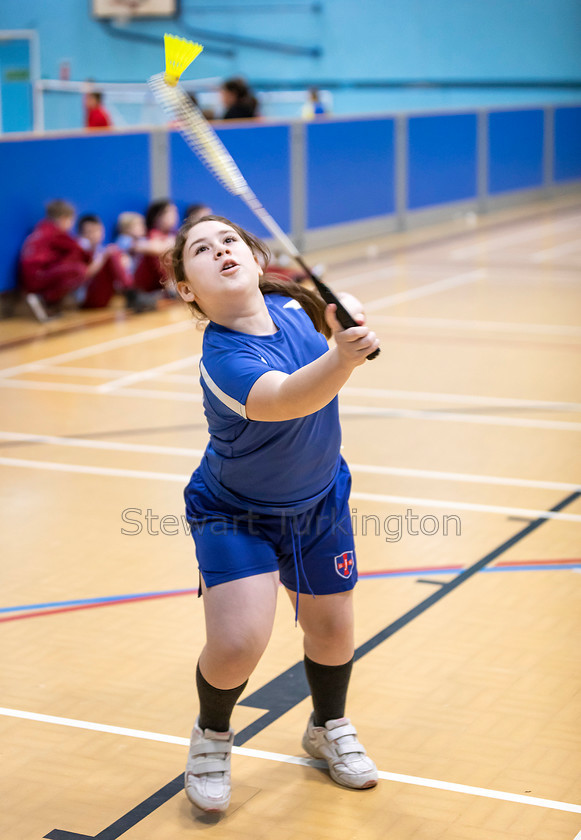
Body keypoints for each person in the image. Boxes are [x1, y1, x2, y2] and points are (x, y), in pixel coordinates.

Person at [164, 214, 380, 813]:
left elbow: (336, 321)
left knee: (332, 631)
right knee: (238, 643)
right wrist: (344, 357)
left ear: (257, 259)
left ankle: (327, 727)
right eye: (201, 251)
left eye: (229, 240)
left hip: (317, 499)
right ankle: (211, 737)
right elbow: (286, 399)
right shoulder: (224, 358)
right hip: (236, 512)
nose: (220, 251)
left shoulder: (291, 310)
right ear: (189, 290)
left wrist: (347, 318)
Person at [133, 200, 178, 292]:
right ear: (157, 216)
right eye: (170, 212)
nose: (175, 215)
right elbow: (158, 249)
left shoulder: (174, 234)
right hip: (148, 286)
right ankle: (171, 286)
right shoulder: (152, 235)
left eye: (175, 211)